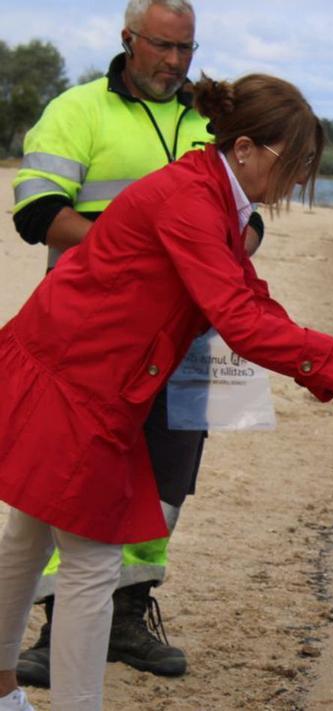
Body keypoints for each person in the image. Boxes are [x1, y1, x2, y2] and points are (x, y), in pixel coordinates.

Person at [0, 72, 333, 710]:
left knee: (31, 535)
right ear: (244, 149)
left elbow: (247, 300)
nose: (298, 179)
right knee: (93, 562)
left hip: (76, 370)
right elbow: (239, 319)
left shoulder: (210, 195)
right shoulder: (189, 200)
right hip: (74, 379)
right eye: (294, 163)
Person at [9, 0, 264, 684]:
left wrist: (232, 250)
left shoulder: (211, 122)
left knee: (169, 484)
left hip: (189, 341)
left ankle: (126, 613)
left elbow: (249, 215)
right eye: (163, 47)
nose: (175, 63)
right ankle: (54, 629)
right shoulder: (77, 109)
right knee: (75, 487)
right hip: (96, 342)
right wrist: (143, 260)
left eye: (186, 49)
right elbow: (37, 212)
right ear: (128, 40)